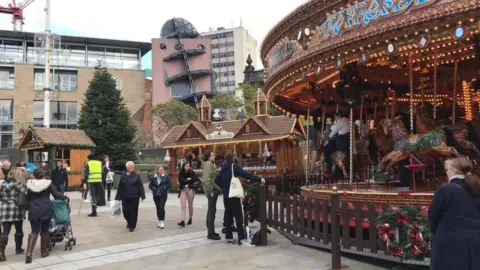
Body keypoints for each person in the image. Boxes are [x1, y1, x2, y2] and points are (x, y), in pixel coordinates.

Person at [429, 157, 480, 270]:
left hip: (449, 242)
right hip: (475, 239)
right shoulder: (477, 188)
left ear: (453, 171)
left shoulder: (445, 189)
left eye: (446, 170)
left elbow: (433, 217)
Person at [215, 151, 265, 246]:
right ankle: (241, 239)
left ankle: (229, 237)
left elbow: (217, 180)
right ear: (233, 157)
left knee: (228, 216)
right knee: (238, 217)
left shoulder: (223, 167)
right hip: (233, 195)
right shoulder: (233, 166)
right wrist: (259, 179)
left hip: (226, 196)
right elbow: (245, 174)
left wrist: (225, 186)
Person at [24, 169, 68, 264]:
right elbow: (56, 195)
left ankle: (29, 253)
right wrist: (65, 197)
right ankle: (44, 252)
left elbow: (26, 197)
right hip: (46, 209)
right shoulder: (48, 184)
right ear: (43, 175)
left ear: (33, 175)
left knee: (34, 231)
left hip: (33, 210)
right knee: (45, 231)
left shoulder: (29, 184)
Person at [0, 169, 27, 261]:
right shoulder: (19, 184)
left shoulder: (2, 184)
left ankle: (1, 251)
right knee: (19, 229)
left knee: (5, 231)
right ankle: (18, 249)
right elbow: (23, 197)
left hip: (5, 208)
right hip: (17, 208)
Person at [115, 161, 145, 232]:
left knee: (133, 212)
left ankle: (132, 226)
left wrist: (142, 196)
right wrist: (117, 196)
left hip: (134, 196)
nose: (132, 167)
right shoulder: (123, 175)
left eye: (133, 166)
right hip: (125, 196)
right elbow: (120, 186)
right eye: (131, 166)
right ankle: (129, 221)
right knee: (125, 211)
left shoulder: (136, 175)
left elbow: (140, 186)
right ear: (127, 167)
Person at [202, 151, 222, 240]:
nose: (214, 156)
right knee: (211, 211)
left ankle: (212, 231)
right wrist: (211, 191)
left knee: (212, 211)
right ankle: (210, 233)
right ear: (209, 157)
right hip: (212, 191)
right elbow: (207, 180)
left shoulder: (211, 164)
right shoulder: (207, 165)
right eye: (213, 155)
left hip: (214, 190)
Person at [178, 163, 200, 227]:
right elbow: (180, 180)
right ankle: (182, 221)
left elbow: (197, 180)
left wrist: (188, 182)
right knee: (183, 206)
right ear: (183, 166)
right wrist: (188, 180)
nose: (188, 167)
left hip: (190, 190)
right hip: (183, 190)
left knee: (190, 205)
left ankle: (190, 218)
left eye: (189, 165)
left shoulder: (192, 173)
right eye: (187, 165)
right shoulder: (181, 173)